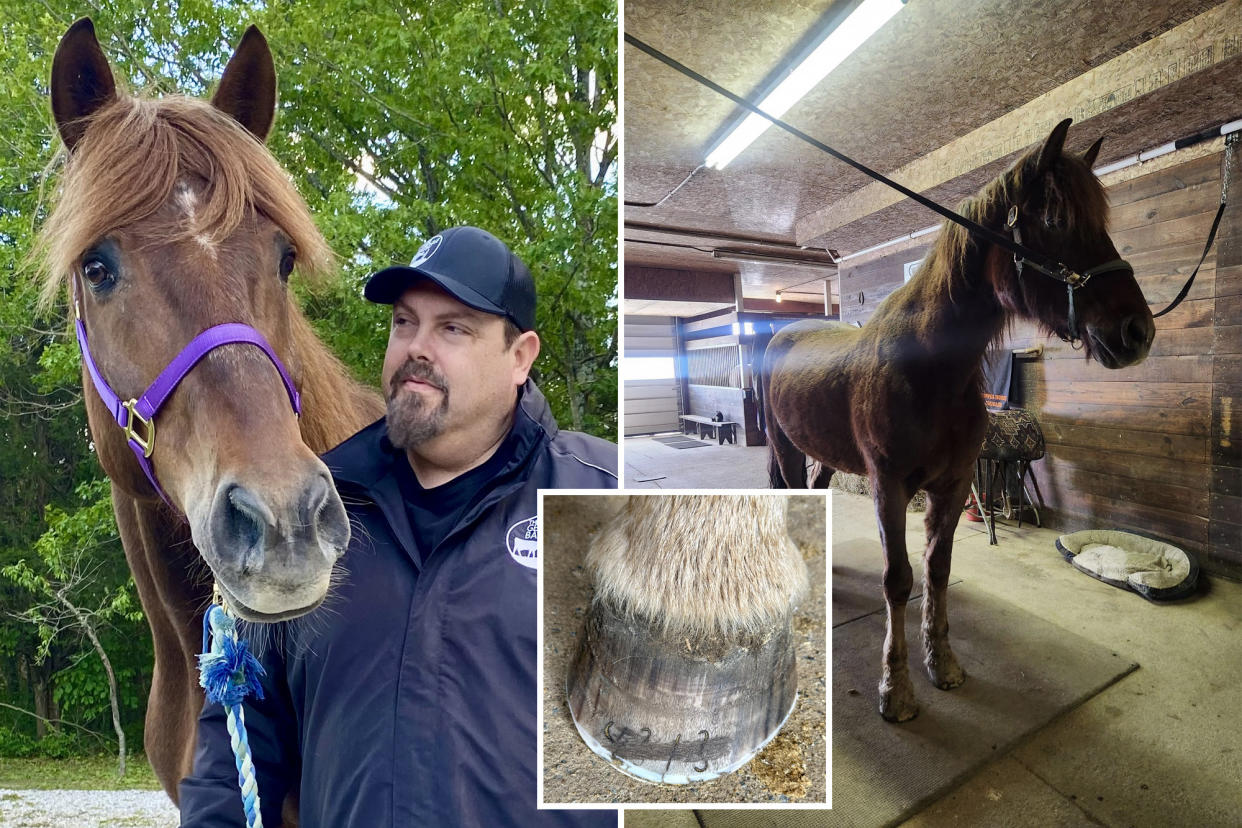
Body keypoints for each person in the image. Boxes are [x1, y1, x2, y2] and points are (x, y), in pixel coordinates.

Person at [179, 226, 618, 826]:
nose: (417, 347)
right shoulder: (315, 513)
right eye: (404, 323)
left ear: (521, 357)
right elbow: (238, 747)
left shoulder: (607, 499)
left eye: (453, 328)